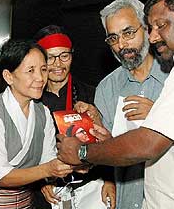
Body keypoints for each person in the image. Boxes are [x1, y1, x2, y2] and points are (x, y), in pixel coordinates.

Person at [56, 0, 174, 208]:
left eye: (160, 26)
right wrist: (105, 141)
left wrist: (82, 152)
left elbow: (149, 143)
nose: (153, 37)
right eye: (113, 38)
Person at [0, 39, 73, 208]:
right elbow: (2, 177)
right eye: (30, 71)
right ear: (9, 76)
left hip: (24, 202)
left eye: (43, 70)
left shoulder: (43, 113)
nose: (40, 78)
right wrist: (48, 170)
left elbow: (47, 158)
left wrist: (68, 163)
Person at [95, 0, 170, 209]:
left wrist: (158, 116)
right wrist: (108, 179)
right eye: (113, 38)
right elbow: (105, 149)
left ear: (147, 29)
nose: (121, 45)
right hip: (125, 198)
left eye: (128, 33)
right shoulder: (106, 88)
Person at [33, 25, 115, 209]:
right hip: (48, 190)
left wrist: (110, 181)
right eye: (50, 57)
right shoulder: (31, 97)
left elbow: (112, 144)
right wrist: (40, 180)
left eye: (64, 56)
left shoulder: (91, 94)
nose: (58, 64)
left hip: (90, 187)